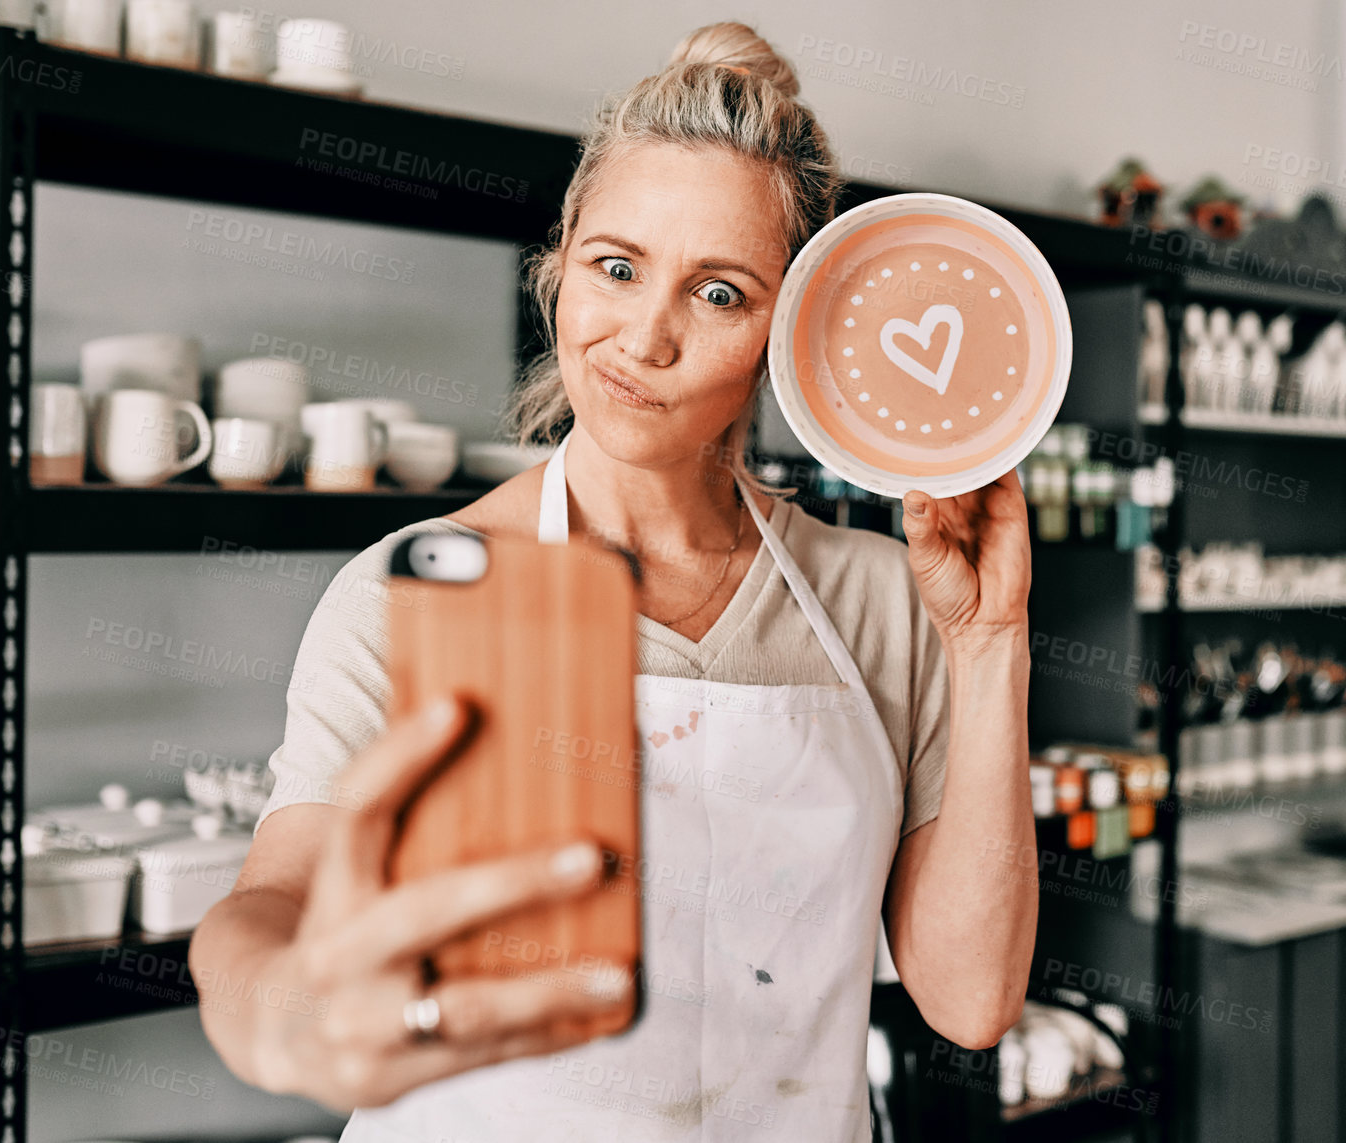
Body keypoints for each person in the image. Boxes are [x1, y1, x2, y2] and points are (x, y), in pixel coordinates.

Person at [190, 20, 1037, 1140]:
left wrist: (989, 646)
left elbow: (969, 999)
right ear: (559, 270)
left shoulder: (883, 602)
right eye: (616, 267)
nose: (645, 335)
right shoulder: (420, 587)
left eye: (719, 293)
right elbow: (274, 900)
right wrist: (279, 1004)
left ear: (789, 333)